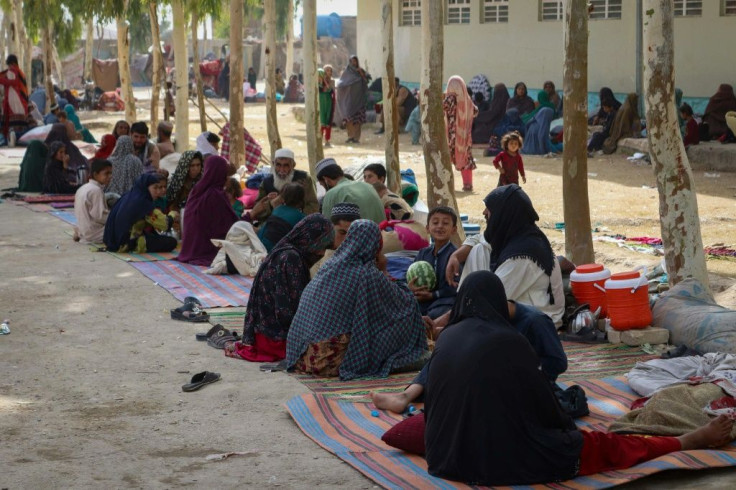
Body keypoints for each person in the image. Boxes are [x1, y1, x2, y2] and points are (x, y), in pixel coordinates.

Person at [424, 271, 734, 485]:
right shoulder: (509, 341)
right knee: (600, 446)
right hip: (499, 462)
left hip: (444, 460)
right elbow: (546, 410)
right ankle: (687, 441)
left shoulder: (446, 339)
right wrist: (566, 430)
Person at [372, 273, 568, 414]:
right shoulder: (488, 315)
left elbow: (558, 362)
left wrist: (528, 373)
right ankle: (405, 396)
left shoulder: (535, 322)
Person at [286, 220, 429, 380]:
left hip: (301, 354)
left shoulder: (329, 265)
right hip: (327, 360)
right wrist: (382, 269)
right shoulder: (366, 274)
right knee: (397, 322)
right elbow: (403, 305)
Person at [445, 185, 564, 325]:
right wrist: (456, 256)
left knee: (473, 322)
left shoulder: (522, 256)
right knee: (478, 249)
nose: (484, 212)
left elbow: (490, 301)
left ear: (504, 213)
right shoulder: (515, 234)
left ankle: (458, 321)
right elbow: (480, 238)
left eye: (489, 209)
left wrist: (443, 325)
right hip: (509, 308)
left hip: (535, 322)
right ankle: (459, 316)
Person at [225, 214, 334, 362]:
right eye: (319, 245)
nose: (321, 253)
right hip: (275, 341)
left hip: (263, 334)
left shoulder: (284, 251)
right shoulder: (291, 258)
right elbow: (288, 311)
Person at [177, 156, 239, 266]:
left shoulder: (198, 189)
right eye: (225, 173)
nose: (228, 178)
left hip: (190, 248)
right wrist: (253, 213)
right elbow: (232, 226)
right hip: (206, 249)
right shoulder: (216, 195)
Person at [103, 173, 178, 253]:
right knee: (171, 242)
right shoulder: (143, 203)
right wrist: (173, 214)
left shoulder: (128, 196)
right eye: (155, 188)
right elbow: (165, 224)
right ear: (146, 188)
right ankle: (134, 246)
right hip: (126, 243)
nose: (158, 191)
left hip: (112, 241)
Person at [410, 207, 460, 319]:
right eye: (435, 222)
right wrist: (412, 287)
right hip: (422, 299)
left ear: (454, 229)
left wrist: (433, 295)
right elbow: (411, 275)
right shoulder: (423, 253)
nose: (440, 226)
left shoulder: (455, 256)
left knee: (436, 314)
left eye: (445, 223)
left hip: (444, 301)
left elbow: (455, 287)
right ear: (427, 228)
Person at [250, 148, 319, 221]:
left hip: (298, 223)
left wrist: (291, 213)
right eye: (278, 165)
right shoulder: (266, 182)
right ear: (273, 164)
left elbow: (314, 206)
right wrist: (271, 205)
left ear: (293, 165)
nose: (282, 170)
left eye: (286, 165)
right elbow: (257, 211)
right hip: (272, 224)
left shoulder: (304, 179)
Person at [316, 158, 385, 224]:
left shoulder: (332, 193)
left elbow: (328, 228)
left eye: (322, 185)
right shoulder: (368, 186)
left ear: (326, 179)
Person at [443, 76, 478, 192]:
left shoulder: (449, 98)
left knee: (447, 159)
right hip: (464, 137)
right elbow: (475, 111)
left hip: (450, 136)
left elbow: (442, 107)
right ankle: (468, 184)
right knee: (465, 159)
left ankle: (447, 184)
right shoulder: (467, 100)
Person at [257, 182, 306, 252]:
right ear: (302, 199)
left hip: (261, 245)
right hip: (278, 251)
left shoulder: (277, 209)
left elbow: (264, 230)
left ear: (282, 198)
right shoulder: (301, 217)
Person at [73, 159, 112, 244]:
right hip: (92, 233)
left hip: (83, 229)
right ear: (95, 174)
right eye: (106, 173)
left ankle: (80, 233)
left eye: (110, 173)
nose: (110, 176)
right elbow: (100, 216)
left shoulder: (83, 188)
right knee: (123, 231)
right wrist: (116, 217)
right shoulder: (96, 191)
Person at [336, 55, 369, 144]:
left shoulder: (361, 71)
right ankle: (350, 136)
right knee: (348, 119)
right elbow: (341, 84)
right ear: (350, 62)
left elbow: (366, 81)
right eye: (352, 61)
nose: (354, 63)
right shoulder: (346, 73)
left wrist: (361, 74)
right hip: (348, 101)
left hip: (359, 100)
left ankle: (356, 138)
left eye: (355, 61)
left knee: (358, 120)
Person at [0, 54, 29, 137]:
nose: (9, 67)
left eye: (9, 64)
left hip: (14, 100)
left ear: (11, 63)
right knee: (21, 123)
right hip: (22, 101)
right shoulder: (21, 73)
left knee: (12, 123)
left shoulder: (12, 71)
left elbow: (11, 82)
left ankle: (12, 138)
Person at [318, 65, 335, 147]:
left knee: (328, 121)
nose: (329, 72)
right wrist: (322, 81)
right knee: (322, 121)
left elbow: (330, 89)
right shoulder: (319, 81)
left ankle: (327, 140)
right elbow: (320, 89)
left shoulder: (332, 81)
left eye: (330, 70)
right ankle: (319, 140)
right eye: (327, 70)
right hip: (321, 102)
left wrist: (325, 82)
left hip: (329, 102)